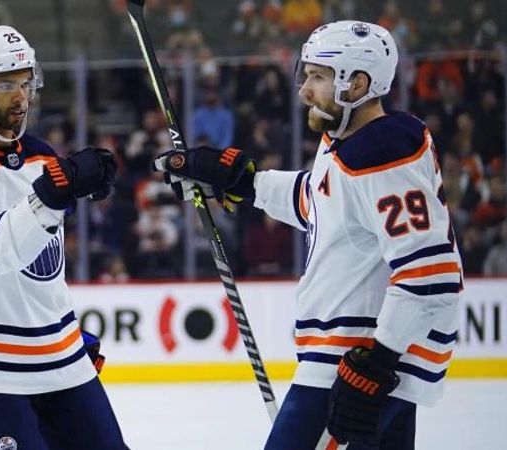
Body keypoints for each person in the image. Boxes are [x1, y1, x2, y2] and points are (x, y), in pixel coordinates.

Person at [155, 21, 461, 449]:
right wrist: (249, 184)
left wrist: (377, 360)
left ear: (357, 83)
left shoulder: (383, 151)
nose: (303, 89)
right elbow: (320, 204)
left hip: (355, 359)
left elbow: (432, 273)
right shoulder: (348, 142)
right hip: (362, 356)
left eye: (317, 76)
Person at [0, 26, 129, 449]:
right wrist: (52, 195)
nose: (21, 96)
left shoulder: (41, 155)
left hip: (58, 357)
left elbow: (42, 269)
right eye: (5, 84)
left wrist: (60, 330)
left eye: (26, 81)